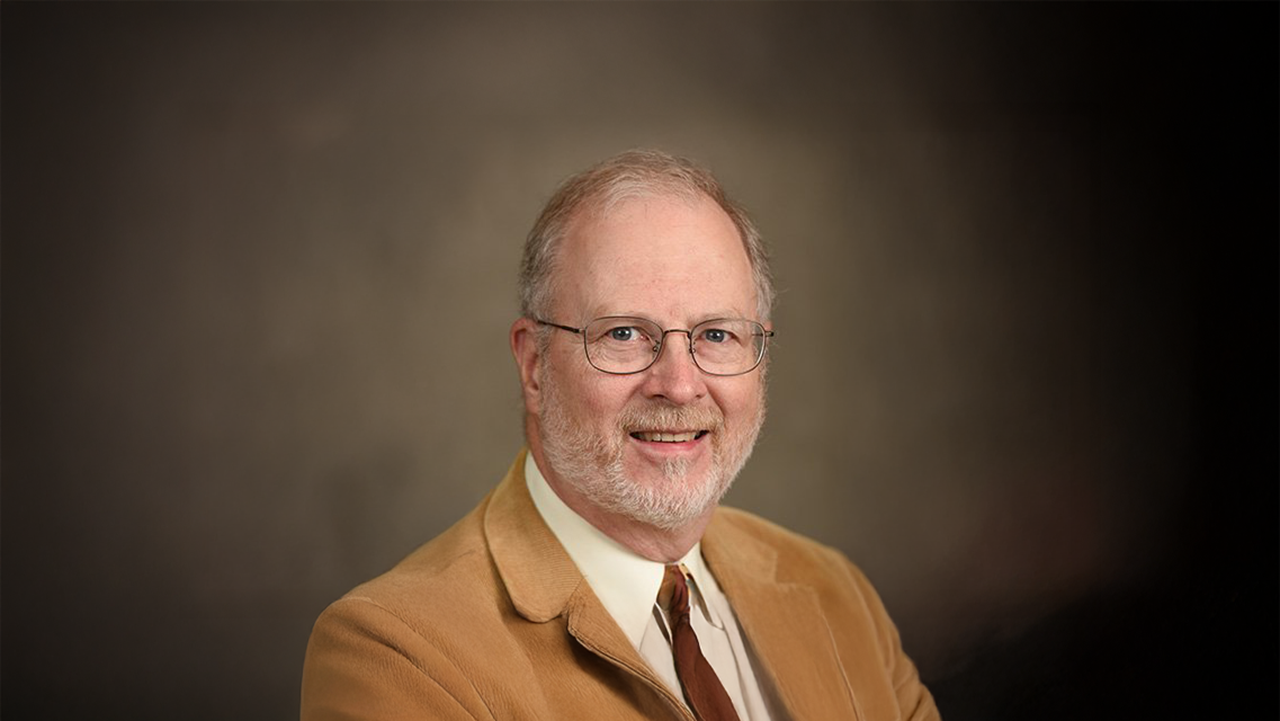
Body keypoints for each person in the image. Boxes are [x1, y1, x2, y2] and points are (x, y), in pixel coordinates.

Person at [301, 150, 939, 721]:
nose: (679, 385)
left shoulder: (837, 595)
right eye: (624, 334)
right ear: (534, 365)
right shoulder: (397, 654)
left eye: (718, 334)